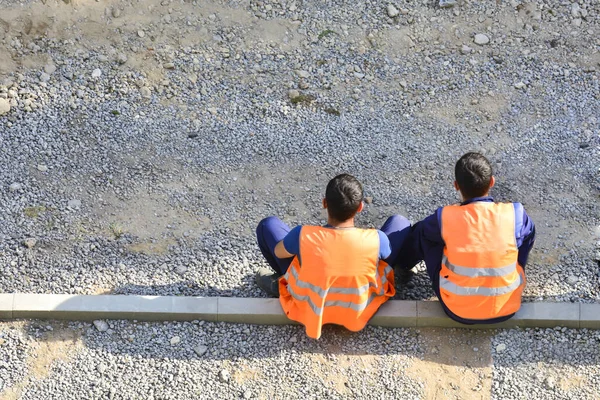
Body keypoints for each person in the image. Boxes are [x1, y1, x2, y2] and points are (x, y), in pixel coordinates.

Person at [255, 173, 411, 339]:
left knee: (268, 225)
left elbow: (279, 251)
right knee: (400, 222)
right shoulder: (376, 238)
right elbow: (387, 256)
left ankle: (280, 281)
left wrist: (303, 245)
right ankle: (399, 276)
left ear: (324, 203)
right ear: (360, 208)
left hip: (310, 302)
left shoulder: (303, 235)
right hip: (360, 307)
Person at [393, 152, 536, 324]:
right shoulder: (515, 214)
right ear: (492, 182)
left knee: (425, 233)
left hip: (456, 309)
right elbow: (528, 237)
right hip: (507, 306)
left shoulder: (445, 217)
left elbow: (422, 233)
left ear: (456, 186)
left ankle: (403, 266)